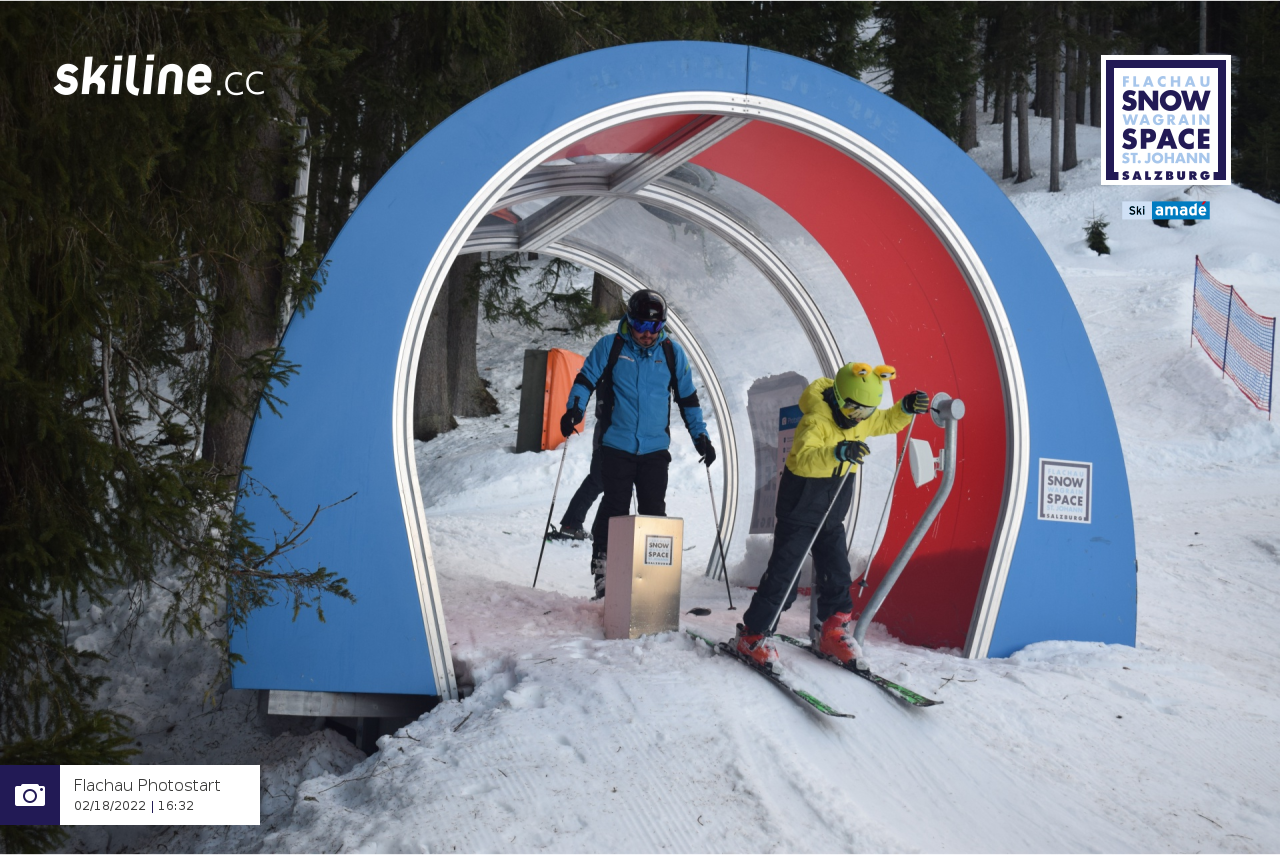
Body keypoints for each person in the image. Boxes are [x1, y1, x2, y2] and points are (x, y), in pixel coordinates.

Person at [734, 363, 929, 671]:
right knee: (785, 575)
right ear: (838, 398)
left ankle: (833, 630)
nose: (859, 417)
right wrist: (837, 452)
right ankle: (753, 634)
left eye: (866, 411)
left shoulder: (860, 418)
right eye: (854, 409)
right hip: (800, 507)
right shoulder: (816, 419)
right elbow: (804, 459)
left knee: (837, 572)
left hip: (831, 511)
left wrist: (904, 409)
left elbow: (885, 421)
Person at [560, 289, 715, 599]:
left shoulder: (671, 353)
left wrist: (700, 436)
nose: (647, 334)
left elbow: (688, 398)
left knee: (653, 512)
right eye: (641, 326)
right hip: (616, 445)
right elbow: (585, 379)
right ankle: (604, 571)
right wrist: (574, 409)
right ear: (630, 321)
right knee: (615, 509)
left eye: (654, 327)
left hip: (655, 449)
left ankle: (650, 582)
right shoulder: (611, 346)